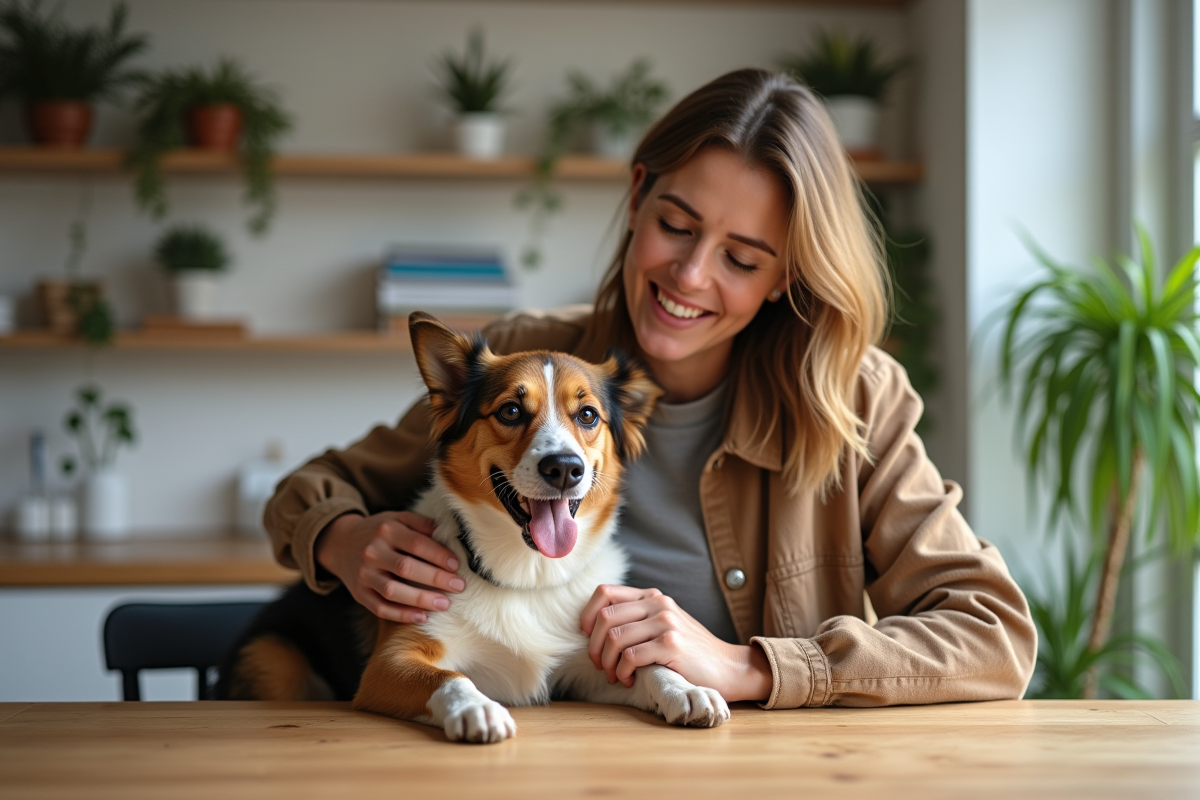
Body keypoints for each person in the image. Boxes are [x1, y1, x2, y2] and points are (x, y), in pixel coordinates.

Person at [264, 68, 1036, 709]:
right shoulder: (534, 360)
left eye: (742, 258)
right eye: (677, 224)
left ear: (784, 276)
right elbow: (310, 490)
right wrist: (343, 539)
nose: (690, 276)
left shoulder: (857, 400)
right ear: (637, 196)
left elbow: (994, 634)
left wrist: (753, 667)